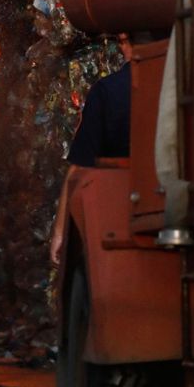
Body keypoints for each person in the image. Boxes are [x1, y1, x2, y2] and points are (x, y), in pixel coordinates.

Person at [50, 34, 133, 268]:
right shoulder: (179, 85)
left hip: (116, 220)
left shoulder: (107, 91)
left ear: (125, 43)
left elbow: (79, 168)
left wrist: (60, 233)